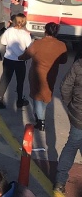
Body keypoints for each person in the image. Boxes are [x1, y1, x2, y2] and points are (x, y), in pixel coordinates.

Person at [19, 22, 68, 131]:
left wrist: (19, 57)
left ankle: (40, 120)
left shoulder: (38, 43)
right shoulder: (61, 45)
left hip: (36, 74)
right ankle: (40, 114)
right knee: (46, 95)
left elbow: (26, 55)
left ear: (45, 31)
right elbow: (64, 61)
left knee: (37, 96)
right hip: (51, 74)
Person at [55, 57, 82, 194]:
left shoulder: (78, 64)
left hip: (77, 114)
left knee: (71, 145)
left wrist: (69, 105)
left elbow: (65, 86)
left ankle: (60, 182)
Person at [0, 14, 32, 110]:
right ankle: (19, 100)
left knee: (5, 79)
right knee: (20, 81)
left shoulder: (9, 31)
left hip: (8, 59)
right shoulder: (26, 34)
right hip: (20, 60)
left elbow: (3, 42)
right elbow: (29, 47)